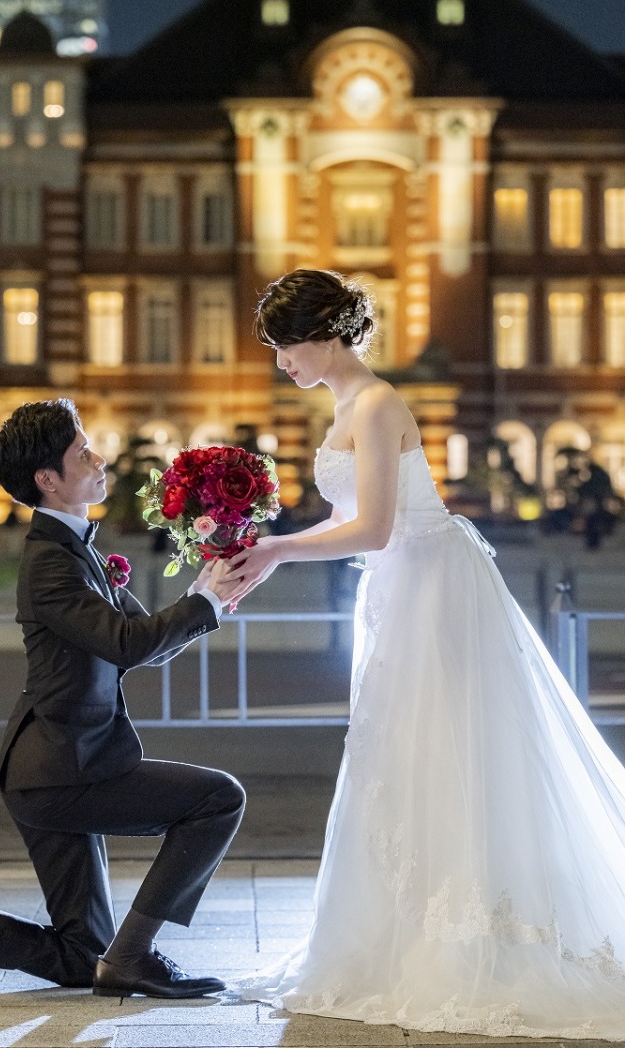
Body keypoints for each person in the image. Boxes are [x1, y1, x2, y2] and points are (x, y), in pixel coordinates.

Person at [229, 269, 625, 1038]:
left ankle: (464, 935)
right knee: (400, 752)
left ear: (331, 335)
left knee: (441, 752)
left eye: (288, 345)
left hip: (432, 586)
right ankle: (405, 929)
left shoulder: (376, 404)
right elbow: (359, 526)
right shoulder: (349, 403)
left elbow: (374, 527)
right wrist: (265, 548)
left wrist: (275, 549)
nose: (282, 362)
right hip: (401, 585)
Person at [0, 398, 245, 999]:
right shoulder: (50, 562)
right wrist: (210, 603)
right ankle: (136, 954)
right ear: (48, 479)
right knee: (218, 800)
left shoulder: (78, 550)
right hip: (62, 773)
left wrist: (210, 591)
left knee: (80, 957)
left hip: (55, 769)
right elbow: (127, 643)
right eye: (82, 452)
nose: (98, 460)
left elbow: (147, 645)